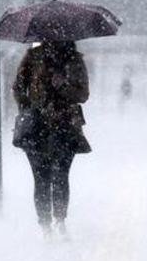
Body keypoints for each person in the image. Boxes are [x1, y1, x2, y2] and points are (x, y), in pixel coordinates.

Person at [12, 40, 91, 240]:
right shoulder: (33, 57)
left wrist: (63, 85)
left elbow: (83, 94)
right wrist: (28, 108)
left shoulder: (74, 59)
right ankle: (45, 225)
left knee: (61, 176)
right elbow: (18, 87)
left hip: (65, 126)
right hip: (36, 128)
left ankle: (60, 220)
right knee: (41, 178)